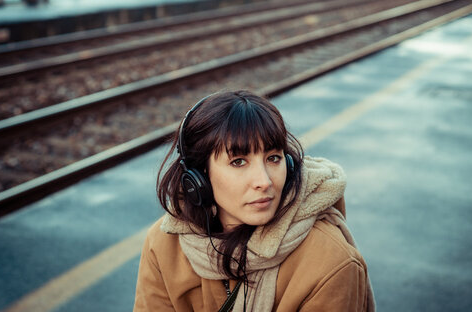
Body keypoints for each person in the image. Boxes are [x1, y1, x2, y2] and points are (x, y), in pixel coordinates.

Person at [133, 90, 375, 312]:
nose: (264, 181)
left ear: (289, 165)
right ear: (198, 179)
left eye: (273, 158)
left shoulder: (330, 262)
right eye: (238, 161)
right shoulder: (164, 245)